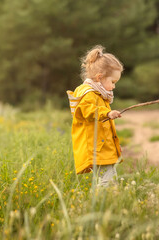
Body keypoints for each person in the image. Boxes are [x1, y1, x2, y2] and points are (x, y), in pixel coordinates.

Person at [66, 45, 123, 187]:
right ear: (99, 78)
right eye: (113, 82)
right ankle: (101, 204)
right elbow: (89, 111)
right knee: (107, 181)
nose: (114, 86)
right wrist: (108, 113)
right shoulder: (88, 93)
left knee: (110, 178)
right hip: (96, 146)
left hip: (102, 145)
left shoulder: (99, 93)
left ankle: (107, 201)